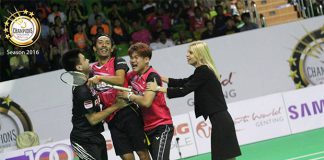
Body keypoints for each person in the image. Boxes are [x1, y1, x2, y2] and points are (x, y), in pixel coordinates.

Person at [146, 41, 241, 160]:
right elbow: (183, 81)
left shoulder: (203, 71)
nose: (187, 55)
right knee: (226, 156)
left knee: (224, 157)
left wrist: (158, 88)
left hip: (221, 121)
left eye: (190, 52)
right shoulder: (202, 70)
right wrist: (159, 77)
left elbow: (184, 90)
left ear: (200, 55)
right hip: (221, 120)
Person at [88, 35, 150, 160]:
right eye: (100, 43)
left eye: (107, 43)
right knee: (127, 157)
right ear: (95, 48)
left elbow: (120, 80)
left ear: (112, 48)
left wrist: (100, 78)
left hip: (128, 111)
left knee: (142, 153)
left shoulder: (118, 61)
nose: (104, 45)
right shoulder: (91, 70)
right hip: (111, 118)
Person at [61, 49, 128, 160]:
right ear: (79, 68)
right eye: (84, 59)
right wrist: (117, 105)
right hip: (83, 140)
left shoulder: (88, 79)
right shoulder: (82, 90)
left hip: (96, 136)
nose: (88, 60)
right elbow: (93, 119)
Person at [118, 42, 174, 160]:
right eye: (131, 58)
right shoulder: (132, 76)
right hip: (146, 128)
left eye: (136, 57)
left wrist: (129, 96)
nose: (132, 61)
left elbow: (146, 102)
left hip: (161, 126)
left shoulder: (152, 76)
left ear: (146, 59)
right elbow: (118, 80)